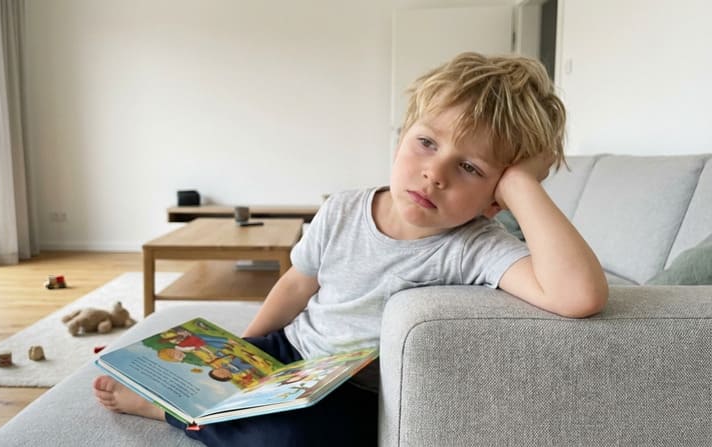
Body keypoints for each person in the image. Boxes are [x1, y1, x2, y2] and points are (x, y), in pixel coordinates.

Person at [92, 52, 608, 446]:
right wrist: (243, 350)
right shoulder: (343, 209)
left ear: (495, 200)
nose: (435, 173)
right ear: (403, 134)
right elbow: (298, 282)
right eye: (427, 143)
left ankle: (169, 413)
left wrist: (520, 186)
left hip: (352, 392)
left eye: (470, 168)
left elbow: (579, 294)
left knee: (288, 441)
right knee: (184, 365)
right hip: (289, 353)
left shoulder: (473, 246)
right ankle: (200, 401)